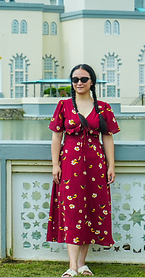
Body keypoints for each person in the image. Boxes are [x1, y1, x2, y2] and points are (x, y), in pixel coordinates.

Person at [46, 64, 120, 278]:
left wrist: (111, 165)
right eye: (75, 79)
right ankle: (71, 265)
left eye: (84, 79)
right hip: (69, 164)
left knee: (90, 210)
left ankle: (82, 263)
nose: (79, 82)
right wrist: (55, 164)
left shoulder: (103, 107)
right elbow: (56, 137)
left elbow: (108, 137)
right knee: (71, 210)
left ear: (92, 82)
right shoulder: (64, 105)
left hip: (95, 166)